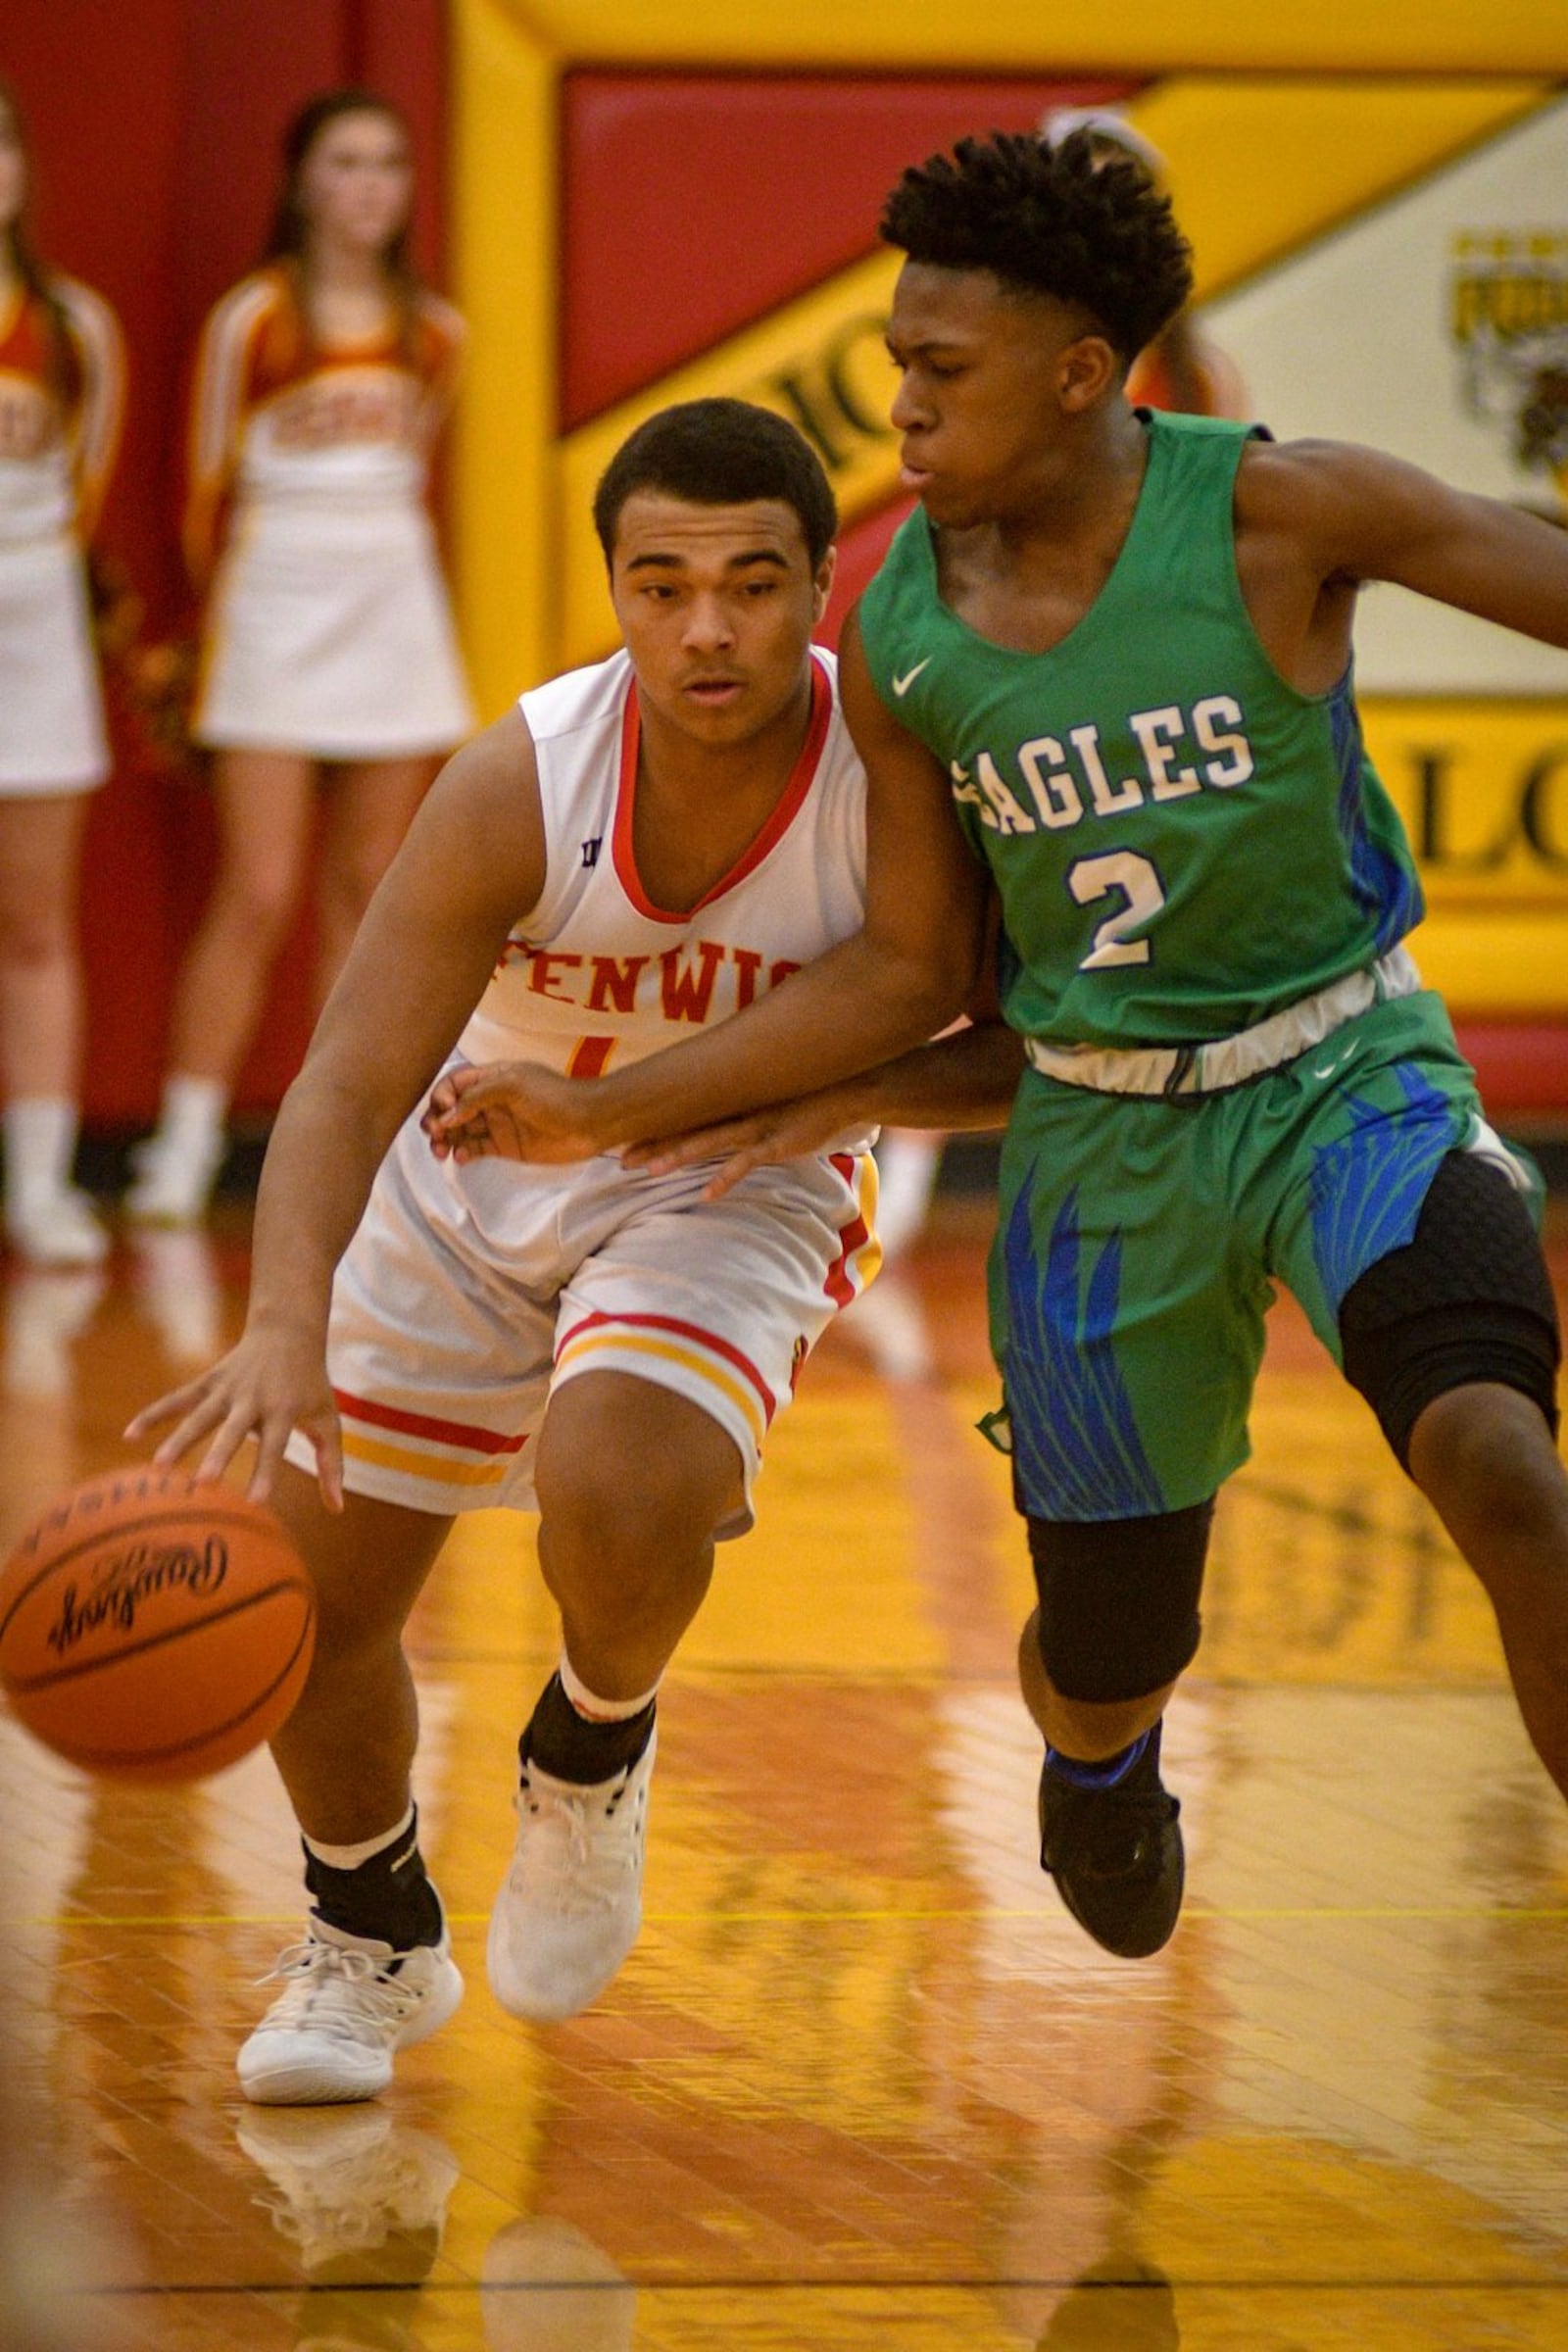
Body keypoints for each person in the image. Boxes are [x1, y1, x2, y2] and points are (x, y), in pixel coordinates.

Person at [423, 130, 1568, 1968]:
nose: (900, 409)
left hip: (1349, 1072)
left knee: (1506, 1465)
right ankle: (1100, 1758)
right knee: (1113, 1655)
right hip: (1103, 1136)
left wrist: (649, 1103)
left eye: (938, 374)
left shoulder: (1287, 514)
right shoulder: (903, 635)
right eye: (894, 365)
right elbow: (916, 973)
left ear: (1081, 374)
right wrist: (654, 1108)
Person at [126, 398, 977, 2103]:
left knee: (626, 1480)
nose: (706, 627)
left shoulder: (887, 777)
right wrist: (283, 1319)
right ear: (612, 588)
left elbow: (997, 1036)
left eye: (750, 581)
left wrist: (837, 1098)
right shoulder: (524, 773)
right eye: (659, 585)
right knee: (304, 1585)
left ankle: (590, 1747)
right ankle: (370, 1931)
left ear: (823, 585)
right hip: (468, 1171)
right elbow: (353, 1074)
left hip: (727, 1176)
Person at [126, 86, 473, 1228]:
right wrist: (214, 638)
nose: (368, 184)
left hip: (390, 600)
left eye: (387, 162)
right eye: (344, 162)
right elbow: (202, 493)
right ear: (301, 183)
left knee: (369, 893)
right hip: (274, 603)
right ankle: (180, 1148)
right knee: (259, 887)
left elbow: (421, 459)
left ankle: (336, 1144)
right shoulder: (253, 320)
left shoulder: (437, 331)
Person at [0, 80, 124, 1267]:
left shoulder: (70, 324)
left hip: (33, 624)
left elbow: (88, 484)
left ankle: (39, 1188)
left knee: (36, 922)